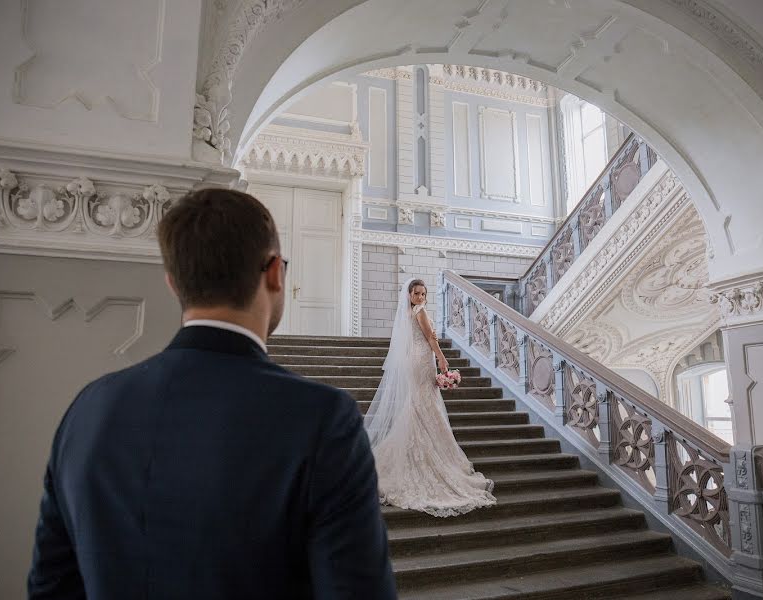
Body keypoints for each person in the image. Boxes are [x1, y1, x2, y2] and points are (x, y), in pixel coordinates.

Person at [27, 189, 396, 599]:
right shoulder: (323, 418)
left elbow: (50, 587)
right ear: (275, 272)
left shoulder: (89, 408)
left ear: (173, 283)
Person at [364, 278, 496, 517]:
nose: (421, 297)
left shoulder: (409, 313)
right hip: (423, 361)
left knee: (419, 404)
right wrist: (443, 360)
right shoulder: (420, 312)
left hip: (416, 361)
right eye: (417, 293)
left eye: (424, 294)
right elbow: (430, 338)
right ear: (410, 295)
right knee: (424, 404)